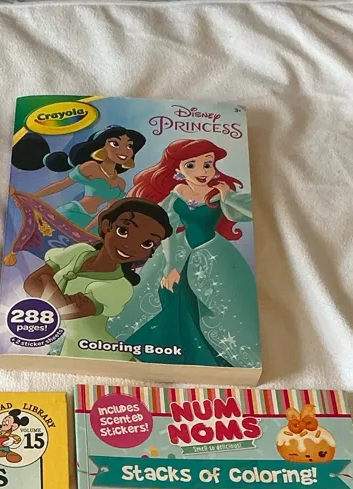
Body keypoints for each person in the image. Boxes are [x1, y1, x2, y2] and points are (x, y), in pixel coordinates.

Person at [108, 139, 260, 368]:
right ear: (178, 169)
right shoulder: (178, 193)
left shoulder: (218, 193)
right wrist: (170, 265)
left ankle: (208, 356)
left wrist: (228, 197)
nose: (202, 171)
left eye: (207, 164)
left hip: (213, 253)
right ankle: (166, 349)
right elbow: (167, 229)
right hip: (179, 250)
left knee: (215, 304)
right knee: (170, 294)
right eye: (191, 165)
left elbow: (251, 213)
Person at [23, 198, 171, 358]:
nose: (130, 246)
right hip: (69, 349)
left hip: (98, 354)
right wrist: (57, 296)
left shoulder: (119, 287)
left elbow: (66, 311)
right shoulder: (80, 251)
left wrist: (47, 280)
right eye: (123, 231)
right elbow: (31, 283)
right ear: (107, 225)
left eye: (147, 244)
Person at [8, 126, 147, 229]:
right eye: (115, 143)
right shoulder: (91, 167)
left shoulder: (120, 183)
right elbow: (61, 185)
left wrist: (88, 229)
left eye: (129, 145)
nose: (125, 150)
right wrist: (33, 197)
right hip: (73, 213)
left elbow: (107, 210)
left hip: (94, 222)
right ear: (101, 147)